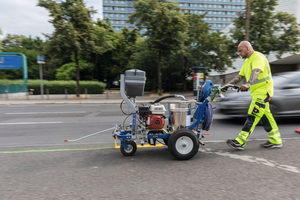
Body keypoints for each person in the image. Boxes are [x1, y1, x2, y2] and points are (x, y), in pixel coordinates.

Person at [224, 41, 282, 150]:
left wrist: (248, 83)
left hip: (263, 91)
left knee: (253, 115)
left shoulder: (258, 57)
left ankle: (240, 141)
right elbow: (240, 76)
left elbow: (256, 71)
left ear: (247, 47)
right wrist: (227, 85)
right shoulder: (247, 61)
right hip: (256, 92)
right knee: (265, 117)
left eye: (240, 51)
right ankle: (276, 140)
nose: (239, 53)